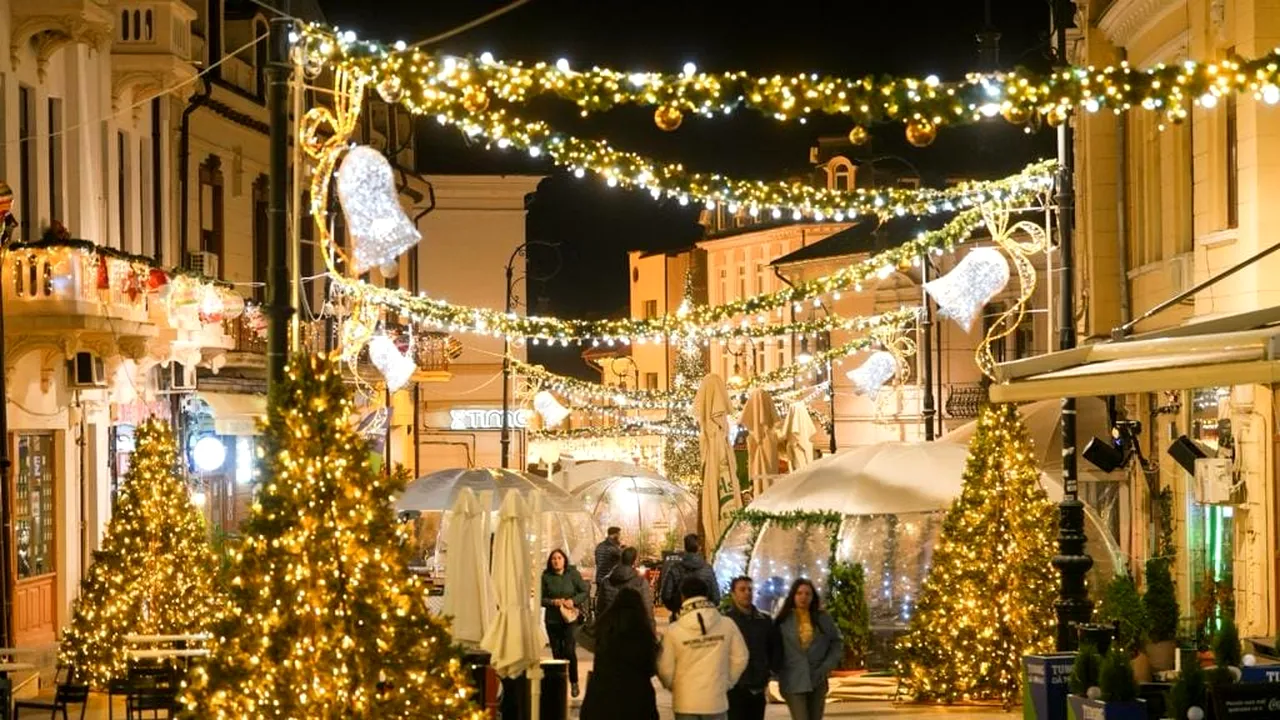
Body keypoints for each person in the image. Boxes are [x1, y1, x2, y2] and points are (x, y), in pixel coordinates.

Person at [658, 576, 748, 720]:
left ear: (683, 597)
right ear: (707, 595)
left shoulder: (674, 630)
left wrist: (674, 687)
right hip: (715, 700)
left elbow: (665, 668)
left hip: (686, 702)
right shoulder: (726, 624)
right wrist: (727, 682)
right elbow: (741, 657)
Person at [579, 588, 659, 720]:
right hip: (637, 699)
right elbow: (651, 668)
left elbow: (582, 635)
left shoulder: (604, 629)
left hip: (602, 698)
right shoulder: (644, 634)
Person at [773, 578, 843, 720]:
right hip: (792, 679)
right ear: (793, 596)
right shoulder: (783, 620)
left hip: (817, 677)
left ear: (812, 597)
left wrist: (827, 666)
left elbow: (837, 642)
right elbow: (774, 647)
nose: (803, 597)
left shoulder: (822, 618)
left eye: (807, 594)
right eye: (799, 593)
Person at [723, 576, 778, 720]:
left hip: (758, 686)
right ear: (733, 594)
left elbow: (774, 648)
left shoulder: (764, 620)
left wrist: (770, 671)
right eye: (742, 589)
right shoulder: (726, 622)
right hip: (735, 687)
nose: (747, 593)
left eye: (750, 589)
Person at [541, 548, 589, 698]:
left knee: (569, 650)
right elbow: (540, 598)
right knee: (557, 653)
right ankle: (559, 685)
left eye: (559, 558)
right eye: (553, 558)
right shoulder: (546, 576)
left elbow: (584, 591)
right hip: (553, 620)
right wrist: (552, 601)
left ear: (564, 560)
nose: (556, 561)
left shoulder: (572, 574)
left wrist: (573, 601)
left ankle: (574, 682)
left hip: (570, 619)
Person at [659, 533, 721, 617]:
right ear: (699, 548)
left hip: (681, 616)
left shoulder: (675, 568)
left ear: (685, 548)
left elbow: (666, 596)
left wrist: (677, 610)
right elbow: (716, 597)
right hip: (704, 616)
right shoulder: (708, 569)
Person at [597, 546, 653, 620]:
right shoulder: (641, 583)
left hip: (610, 626)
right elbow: (648, 611)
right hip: (632, 627)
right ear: (635, 561)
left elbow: (599, 609)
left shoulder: (606, 582)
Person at [594, 526, 623, 596]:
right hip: (609, 580)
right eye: (619, 534)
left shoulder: (599, 546)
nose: (620, 536)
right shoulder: (613, 548)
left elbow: (597, 562)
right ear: (615, 535)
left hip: (599, 578)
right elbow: (623, 560)